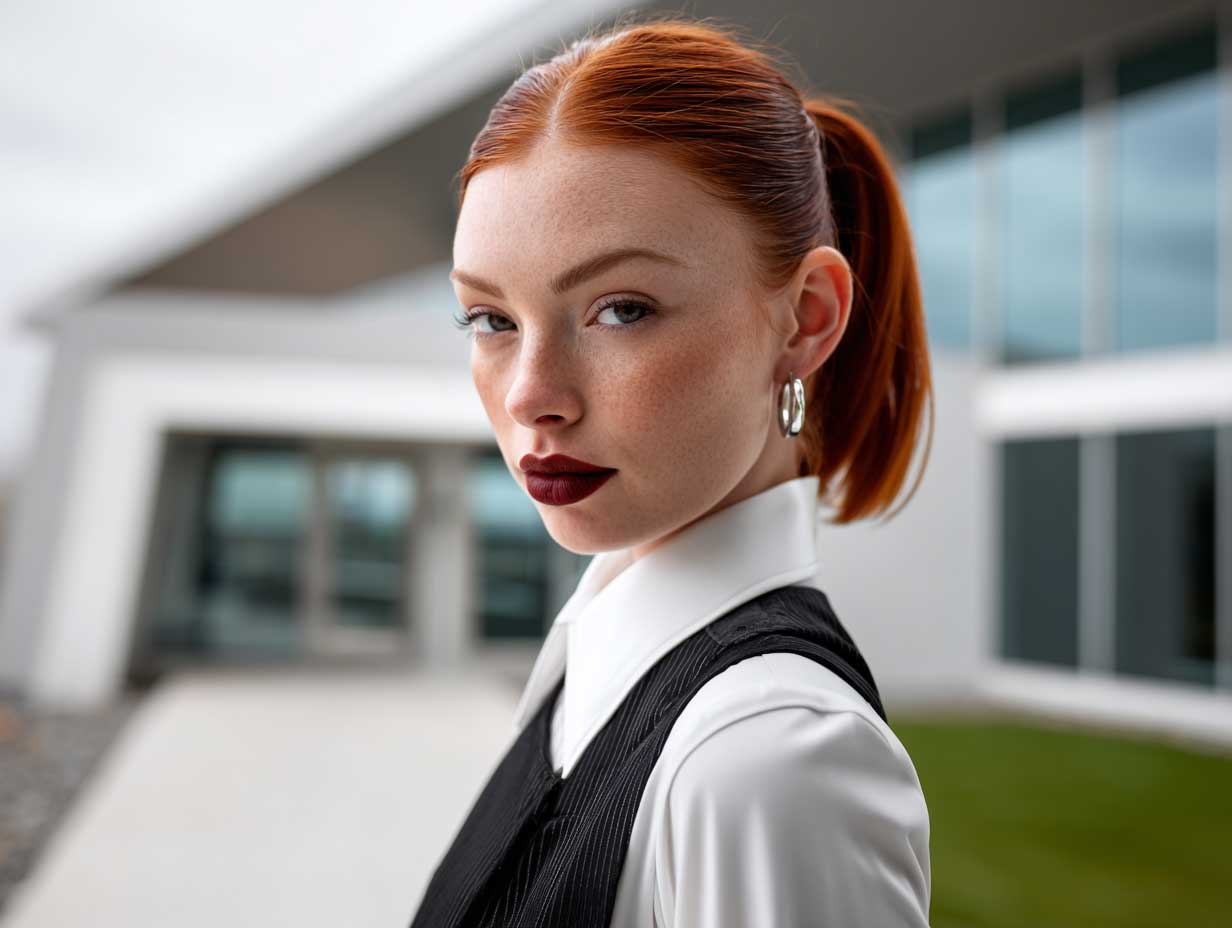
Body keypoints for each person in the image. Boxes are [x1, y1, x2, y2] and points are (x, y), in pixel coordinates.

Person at [410, 12, 935, 928]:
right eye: (490, 319)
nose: (534, 395)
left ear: (806, 318)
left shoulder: (766, 762)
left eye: (621, 309)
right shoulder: (602, 661)